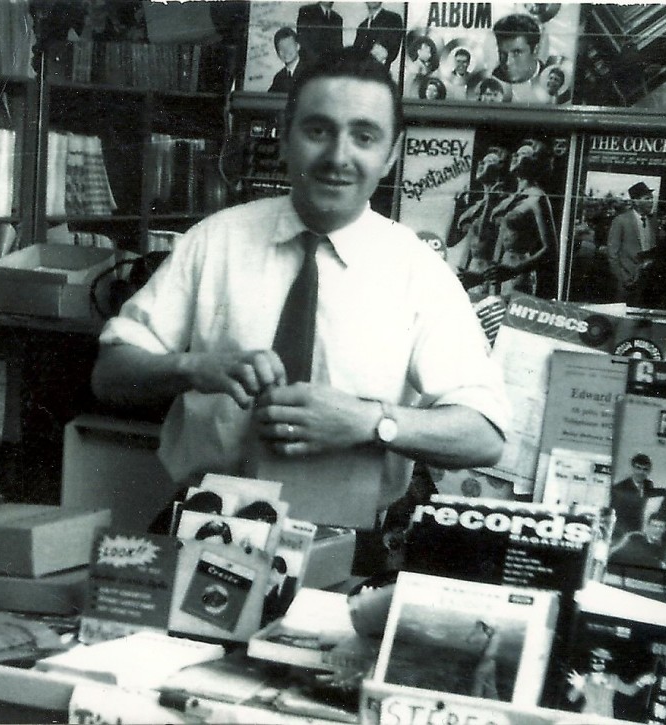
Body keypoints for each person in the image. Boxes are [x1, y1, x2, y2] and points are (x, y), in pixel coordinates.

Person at [91, 47, 509, 574]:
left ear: (392, 152)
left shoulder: (419, 273)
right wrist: (191, 368)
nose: (339, 156)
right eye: (318, 130)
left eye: (364, 135)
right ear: (285, 136)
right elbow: (110, 374)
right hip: (203, 529)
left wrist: (369, 422)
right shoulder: (213, 242)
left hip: (345, 548)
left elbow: (486, 433)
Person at [486, 138, 558, 299]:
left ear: (535, 162)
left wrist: (515, 270)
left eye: (523, 154)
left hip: (517, 273)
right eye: (516, 154)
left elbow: (550, 249)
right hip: (496, 273)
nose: (515, 157)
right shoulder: (508, 199)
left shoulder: (537, 198)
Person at [447, 146, 510, 300]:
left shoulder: (505, 203)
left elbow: (489, 241)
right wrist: (458, 210)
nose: (481, 164)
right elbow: (451, 240)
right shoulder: (476, 206)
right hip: (468, 277)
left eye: (489, 162)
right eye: (482, 161)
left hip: (488, 279)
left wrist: (490, 202)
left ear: (500, 171)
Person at [607, 181, 659, 306]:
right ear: (636, 201)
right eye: (647, 199)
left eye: (651, 199)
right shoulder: (621, 221)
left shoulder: (652, 221)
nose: (651, 202)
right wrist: (623, 278)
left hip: (646, 282)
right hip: (626, 282)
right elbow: (612, 254)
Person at [566, 647, 656, 718]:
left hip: (606, 719)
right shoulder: (584, 678)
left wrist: (641, 681)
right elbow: (572, 698)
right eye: (594, 660)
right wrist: (578, 686)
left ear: (606, 662)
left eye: (601, 660)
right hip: (587, 718)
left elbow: (630, 691)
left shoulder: (613, 679)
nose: (597, 663)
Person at [609, 453, 666, 542]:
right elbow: (615, 516)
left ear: (649, 471)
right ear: (632, 468)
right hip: (623, 534)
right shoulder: (619, 488)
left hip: (640, 531)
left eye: (645, 469)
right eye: (638, 468)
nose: (641, 472)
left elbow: (650, 493)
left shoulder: (648, 484)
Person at [491, 14, 547, 102]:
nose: (507, 62)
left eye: (517, 53)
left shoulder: (551, 81)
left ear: (536, 50)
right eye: (502, 53)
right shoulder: (492, 80)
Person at [608, 514, 666, 583]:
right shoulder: (633, 537)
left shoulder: (665, 548)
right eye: (654, 526)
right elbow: (612, 552)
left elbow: (665, 573)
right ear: (648, 526)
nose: (657, 530)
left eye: (661, 527)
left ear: (664, 529)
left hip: (644, 583)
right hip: (621, 578)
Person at [353, 2, 405, 72]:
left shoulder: (393, 19)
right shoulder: (362, 26)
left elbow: (389, 51)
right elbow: (355, 52)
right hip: (361, 76)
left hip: (378, 74)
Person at [467, 620, 500, 699]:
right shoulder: (494, 637)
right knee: (489, 683)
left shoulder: (494, 638)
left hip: (487, 661)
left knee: (479, 679)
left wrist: (477, 628)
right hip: (490, 662)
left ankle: (476, 698)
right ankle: (494, 700)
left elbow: (469, 640)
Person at [269, 27, 303, 94]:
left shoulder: (310, 72)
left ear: (298, 46)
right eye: (281, 48)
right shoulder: (279, 77)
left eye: (289, 46)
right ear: (277, 53)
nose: (286, 50)